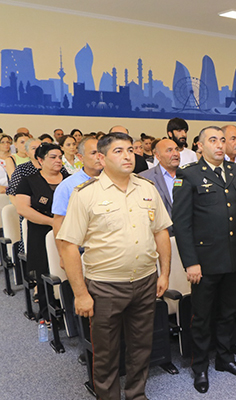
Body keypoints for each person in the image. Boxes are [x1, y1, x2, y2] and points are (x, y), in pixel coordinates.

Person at [57, 132, 171, 400]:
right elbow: (68, 246)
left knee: (141, 347)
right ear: (101, 157)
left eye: (130, 150)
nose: (127, 155)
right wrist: (81, 294)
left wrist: (164, 273)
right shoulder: (86, 194)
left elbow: (161, 232)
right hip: (105, 287)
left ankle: (136, 394)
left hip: (145, 281)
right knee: (106, 353)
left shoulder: (147, 188)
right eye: (118, 151)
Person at [173, 126, 236, 392]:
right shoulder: (188, 175)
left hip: (234, 256)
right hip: (205, 261)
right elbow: (182, 224)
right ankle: (200, 367)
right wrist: (190, 262)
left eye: (222, 140)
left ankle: (225, 358)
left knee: (228, 312)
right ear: (200, 146)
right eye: (212, 140)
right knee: (202, 316)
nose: (219, 145)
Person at [15, 143, 66, 319]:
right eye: (53, 157)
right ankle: (47, 313)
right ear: (40, 160)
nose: (58, 160)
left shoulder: (69, 179)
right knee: (45, 272)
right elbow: (23, 209)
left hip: (68, 231)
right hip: (41, 232)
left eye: (60, 157)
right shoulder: (29, 181)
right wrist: (53, 222)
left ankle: (70, 312)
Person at [52, 136, 103, 252]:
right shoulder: (68, 186)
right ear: (80, 157)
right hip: (81, 246)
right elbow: (59, 223)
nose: (98, 157)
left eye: (101, 153)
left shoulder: (112, 180)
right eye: (93, 153)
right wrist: (62, 255)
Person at [140, 139, 180, 235]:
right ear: (158, 156)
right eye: (169, 150)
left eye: (176, 149)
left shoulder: (188, 175)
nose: (175, 154)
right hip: (159, 234)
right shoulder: (145, 179)